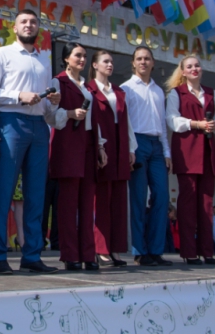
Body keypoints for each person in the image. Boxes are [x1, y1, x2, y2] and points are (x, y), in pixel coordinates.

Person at [0, 9, 60, 275]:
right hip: (12, 123)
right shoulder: (2, 54)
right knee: (4, 191)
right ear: (14, 28)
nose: (29, 25)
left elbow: (46, 107)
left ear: (39, 28)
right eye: (23, 22)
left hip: (39, 127)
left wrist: (53, 102)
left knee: (36, 195)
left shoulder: (44, 61)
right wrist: (18, 96)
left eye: (33, 22)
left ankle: (32, 255)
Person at [47, 43, 106, 271]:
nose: (82, 59)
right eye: (77, 55)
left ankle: (88, 254)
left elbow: (94, 121)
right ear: (66, 58)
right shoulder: (58, 82)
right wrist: (70, 113)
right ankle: (70, 254)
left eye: (84, 56)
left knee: (87, 203)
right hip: (68, 144)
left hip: (88, 144)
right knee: (68, 204)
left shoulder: (88, 87)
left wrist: (100, 147)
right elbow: (50, 116)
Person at [166, 55, 215, 265]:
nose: (194, 69)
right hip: (187, 152)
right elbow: (172, 120)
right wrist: (196, 124)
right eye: (189, 66)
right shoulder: (176, 93)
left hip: (207, 152)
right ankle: (189, 252)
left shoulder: (211, 92)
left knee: (206, 204)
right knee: (188, 203)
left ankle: (207, 252)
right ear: (183, 71)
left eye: (197, 65)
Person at [121, 46, 173, 267]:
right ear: (133, 63)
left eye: (147, 59)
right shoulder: (126, 88)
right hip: (137, 143)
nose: (143, 62)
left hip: (157, 145)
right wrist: (130, 149)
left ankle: (156, 250)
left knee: (162, 197)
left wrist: (167, 151)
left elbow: (162, 123)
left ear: (153, 63)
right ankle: (140, 251)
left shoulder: (158, 91)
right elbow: (125, 123)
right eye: (139, 59)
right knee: (138, 198)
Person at [86, 51, 136, 268]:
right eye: (105, 61)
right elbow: (92, 119)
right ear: (95, 65)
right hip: (102, 144)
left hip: (120, 145)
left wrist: (131, 147)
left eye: (111, 62)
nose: (110, 65)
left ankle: (115, 248)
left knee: (118, 200)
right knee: (101, 200)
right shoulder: (89, 89)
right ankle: (101, 248)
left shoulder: (119, 91)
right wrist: (99, 145)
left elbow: (127, 121)